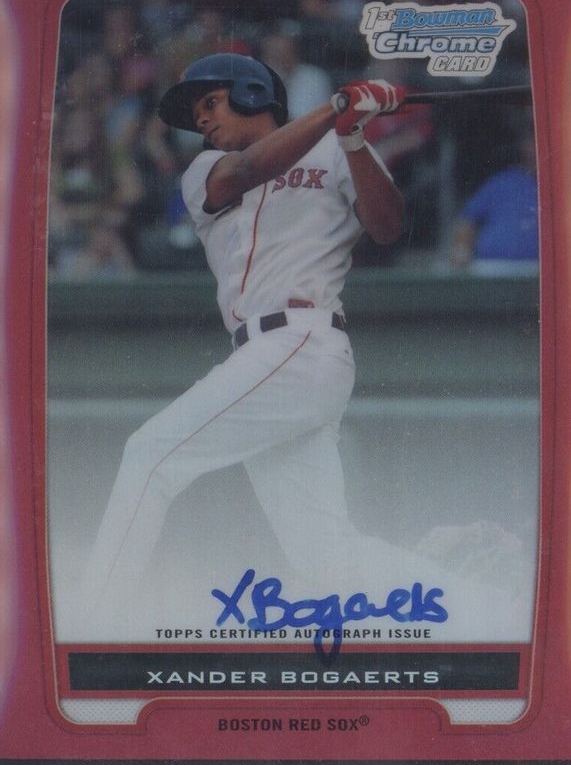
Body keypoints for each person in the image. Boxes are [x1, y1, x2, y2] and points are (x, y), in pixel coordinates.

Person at [79, 54, 530, 643]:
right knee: (326, 558)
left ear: (251, 93)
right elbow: (247, 171)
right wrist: (334, 111)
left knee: (149, 454)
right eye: (196, 113)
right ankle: (497, 612)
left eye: (211, 103)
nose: (202, 120)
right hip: (266, 355)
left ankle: (90, 623)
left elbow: (387, 226)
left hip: (301, 340)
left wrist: (353, 138)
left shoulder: (336, 149)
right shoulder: (206, 168)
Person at [450, 131, 538, 274]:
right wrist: (461, 252)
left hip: (538, 271)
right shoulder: (502, 181)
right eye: (531, 142)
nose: (534, 148)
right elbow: (467, 221)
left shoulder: (559, 187)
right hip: (490, 269)